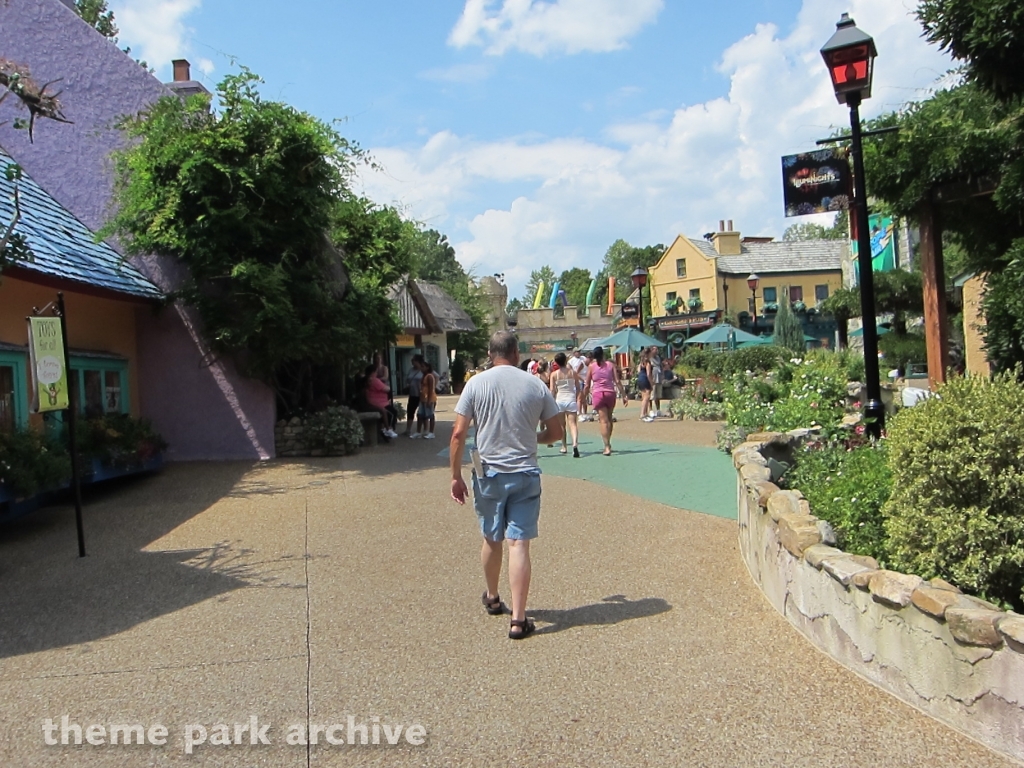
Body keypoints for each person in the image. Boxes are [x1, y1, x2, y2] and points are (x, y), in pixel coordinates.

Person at [450, 331, 563, 640]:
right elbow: (556, 432)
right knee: (519, 543)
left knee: (491, 537)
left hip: (488, 473)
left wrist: (455, 476)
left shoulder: (476, 384)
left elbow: (458, 434)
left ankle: (492, 596)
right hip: (525, 472)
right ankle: (518, 618)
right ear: (516, 353)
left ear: (490, 354)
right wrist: (533, 438)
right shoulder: (535, 384)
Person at [583, 346, 627, 456]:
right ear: (603, 354)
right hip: (610, 393)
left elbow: (587, 384)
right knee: (609, 418)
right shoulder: (610, 365)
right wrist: (624, 395)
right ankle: (609, 441)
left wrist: (584, 396)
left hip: (598, 393)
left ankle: (607, 446)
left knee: (603, 420)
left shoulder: (591, 366)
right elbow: (617, 381)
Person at [549, 352, 581, 457]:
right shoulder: (573, 372)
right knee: (573, 424)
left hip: (560, 400)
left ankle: (564, 446)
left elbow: (552, 390)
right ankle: (575, 444)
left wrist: (551, 401)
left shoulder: (554, 374)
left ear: (556, 362)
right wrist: (577, 397)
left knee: (562, 425)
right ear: (565, 360)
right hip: (571, 399)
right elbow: (578, 387)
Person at [362, 363, 399, 439]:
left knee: (389, 412)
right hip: (379, 403)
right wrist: (387, 387)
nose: (377, 373)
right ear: (373, 372)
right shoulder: (374, 380)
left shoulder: (368, 379)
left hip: (377, 401)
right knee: (392, 413)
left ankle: (385, 428)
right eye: (376, 372)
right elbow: (386, 389)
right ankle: (388, 429)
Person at [417, 361, 438, 439]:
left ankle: (431, 432)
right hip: (423, 399)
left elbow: (431, 389)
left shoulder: (429, 376)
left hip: (429, 399)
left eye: (423, 367)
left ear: (427, 367)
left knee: (430, 415)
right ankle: (418, 432)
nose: (421, 368)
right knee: (420, 415)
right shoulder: (424, 376)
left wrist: (429, 400)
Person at [404, 355, 424, 436]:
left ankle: (421, 430)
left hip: (421, 395)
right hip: (412, 394)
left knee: (421, 413)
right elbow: (407, 379)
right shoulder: (411, 370)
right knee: (410, 411)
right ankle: (408, 429)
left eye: (414, 360)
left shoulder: (423, 370)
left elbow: (435, 376)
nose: (412, 362)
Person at [637, 348, 654, 422]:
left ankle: (645, 414)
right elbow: (648, 374)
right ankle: (642, 415)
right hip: (645, 379)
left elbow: (638, 371)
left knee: (644, 397)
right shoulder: (647, 362)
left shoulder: (641, 362)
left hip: (640, 379)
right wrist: (651, 383)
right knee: (646, 397)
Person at [650, 346, 664, 418]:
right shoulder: (649, 358)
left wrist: (663, 375)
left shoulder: (658, 358)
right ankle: (651, 410)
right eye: (655, 349)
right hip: (653, 378)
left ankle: (658, 410)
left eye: (657, 349)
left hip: (659, 378)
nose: (656, 351)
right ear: (652, 350)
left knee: (658, 395)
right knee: (652, 395)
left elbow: (661, 366)